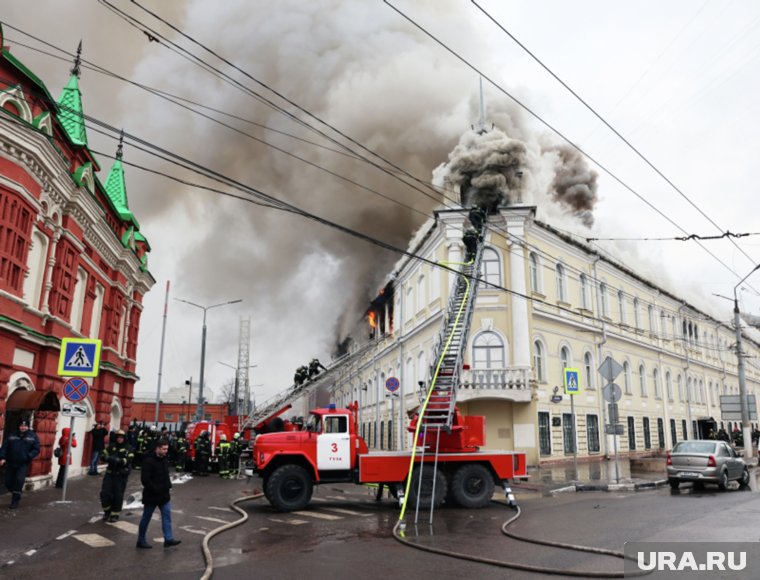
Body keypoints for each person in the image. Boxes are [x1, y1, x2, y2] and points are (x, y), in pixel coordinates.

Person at [136, 438, 181, 549]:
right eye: (164, 449)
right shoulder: (148, 461)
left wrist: (169, 486)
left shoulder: (164, 459)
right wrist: (155, 489)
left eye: (167, 449)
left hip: (164, 496)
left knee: (167, 516)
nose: (166, 451)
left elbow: (165, 475)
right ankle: (141, 540)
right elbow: (145, 479)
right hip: (151, 495)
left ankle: (168, 539)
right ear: (157, 448)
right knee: (146, 518)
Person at [0, 419, 40, 509]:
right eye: (21, 426)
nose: (23, 427)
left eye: (25, 426)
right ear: (19, 426)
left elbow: (36, 449)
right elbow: (4, 447)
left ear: (28, 427)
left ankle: (15, 501)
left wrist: (28, 456)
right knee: (8, 482)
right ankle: (16, 492)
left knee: (19, 481)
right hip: (11, 463)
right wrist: (2, 457)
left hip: (22, 464)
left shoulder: (32, 436)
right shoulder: (12, 435)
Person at [100, 430, 134, 522]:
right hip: (110, 474)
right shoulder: (112, 446)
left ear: (124, 438)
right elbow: (103, 454)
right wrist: (106, 457)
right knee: (104, 494)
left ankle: (115, 514)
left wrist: (118, 461)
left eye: (121, 437)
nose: (119, 439)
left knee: (117, 495)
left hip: (120, 476)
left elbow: (128, 460)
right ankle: (107, 511)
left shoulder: (128, 448)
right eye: (118, 437)